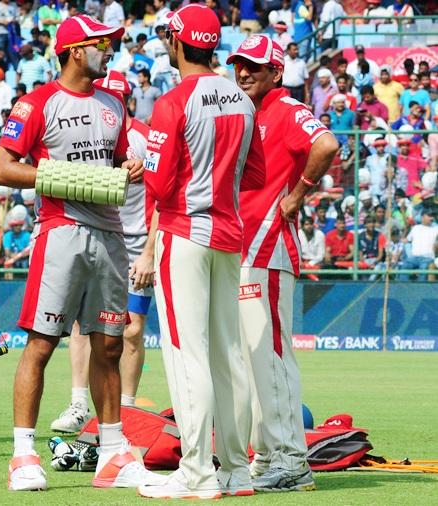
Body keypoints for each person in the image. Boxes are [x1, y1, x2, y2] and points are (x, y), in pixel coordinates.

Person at [0, 14, 164, 492]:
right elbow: (1, 168)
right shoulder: (36, 103)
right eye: (100, 44)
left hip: (111, 236)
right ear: (73, 50)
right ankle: (22, 455)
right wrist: (68, 177)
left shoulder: (115, 103)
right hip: (61, 231)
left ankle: (112, 454)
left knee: (109, 344)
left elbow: (122, 158)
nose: (108, 52)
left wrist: (126, 164)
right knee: (42, 343)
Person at [140, 5, 266, 499]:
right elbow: (254, 175)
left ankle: (196, 472)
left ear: (177, 41)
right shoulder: (241, 98)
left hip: (184, 232)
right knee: (227, 354)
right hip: (229, 235)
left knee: (186, 353)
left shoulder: (172, 101)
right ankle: (235, 471)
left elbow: (157, 180)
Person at [230, 34, 338, 492]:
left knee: (270, 355)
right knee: (253, 357)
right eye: (238, 65)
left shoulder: (287, 108)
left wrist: (297, 195)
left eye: (253, 66)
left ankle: (292, 461)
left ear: (276, 72)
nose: (243, 73)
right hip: (244, 246)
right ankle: (268, 456)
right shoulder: (243, 114)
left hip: (268, 246)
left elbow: (328, 144)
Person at [50, 71, 155, 432]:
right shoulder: (79, 135)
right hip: (94, 237)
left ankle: (127, 411)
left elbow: (161, 198)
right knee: (82, 323)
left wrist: (150, 253)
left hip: (136, 243)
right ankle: (79, 403)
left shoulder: (144, 139)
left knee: (131, 330)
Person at [0, 0, 18, 69]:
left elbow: (17, 18)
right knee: (1, 53)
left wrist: (13, 21)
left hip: (12, 34)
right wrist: (2, 22)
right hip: (0, 33)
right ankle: (1, 69)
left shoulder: (13, 6)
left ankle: (16, 71)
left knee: (13, 53)